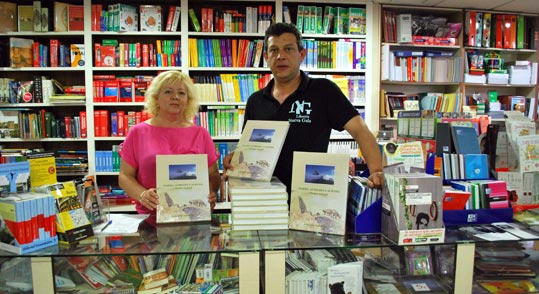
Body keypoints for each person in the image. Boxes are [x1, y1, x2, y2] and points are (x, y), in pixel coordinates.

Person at [224, 22, 383, 194]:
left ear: (302, 54)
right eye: (274, 50)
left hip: (311, 197)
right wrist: (236, 159)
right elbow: (250, 149)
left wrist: (376, 171)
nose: (280, 56)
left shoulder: (324, 91)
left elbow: (360, 130)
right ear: (266, 56)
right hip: (265, 201)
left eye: (288, 49)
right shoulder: (255, 101)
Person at [119, 71, 221, 222]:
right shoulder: (137, 132)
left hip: (193, 219)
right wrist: (142, 195)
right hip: (150, 219)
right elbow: (125, 176)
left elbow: (213, 175)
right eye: (168, 91)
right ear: (156, 98)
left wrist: (211, 191)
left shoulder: (201, 134)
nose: (175, 97)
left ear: (188, 100)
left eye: (181, 93)